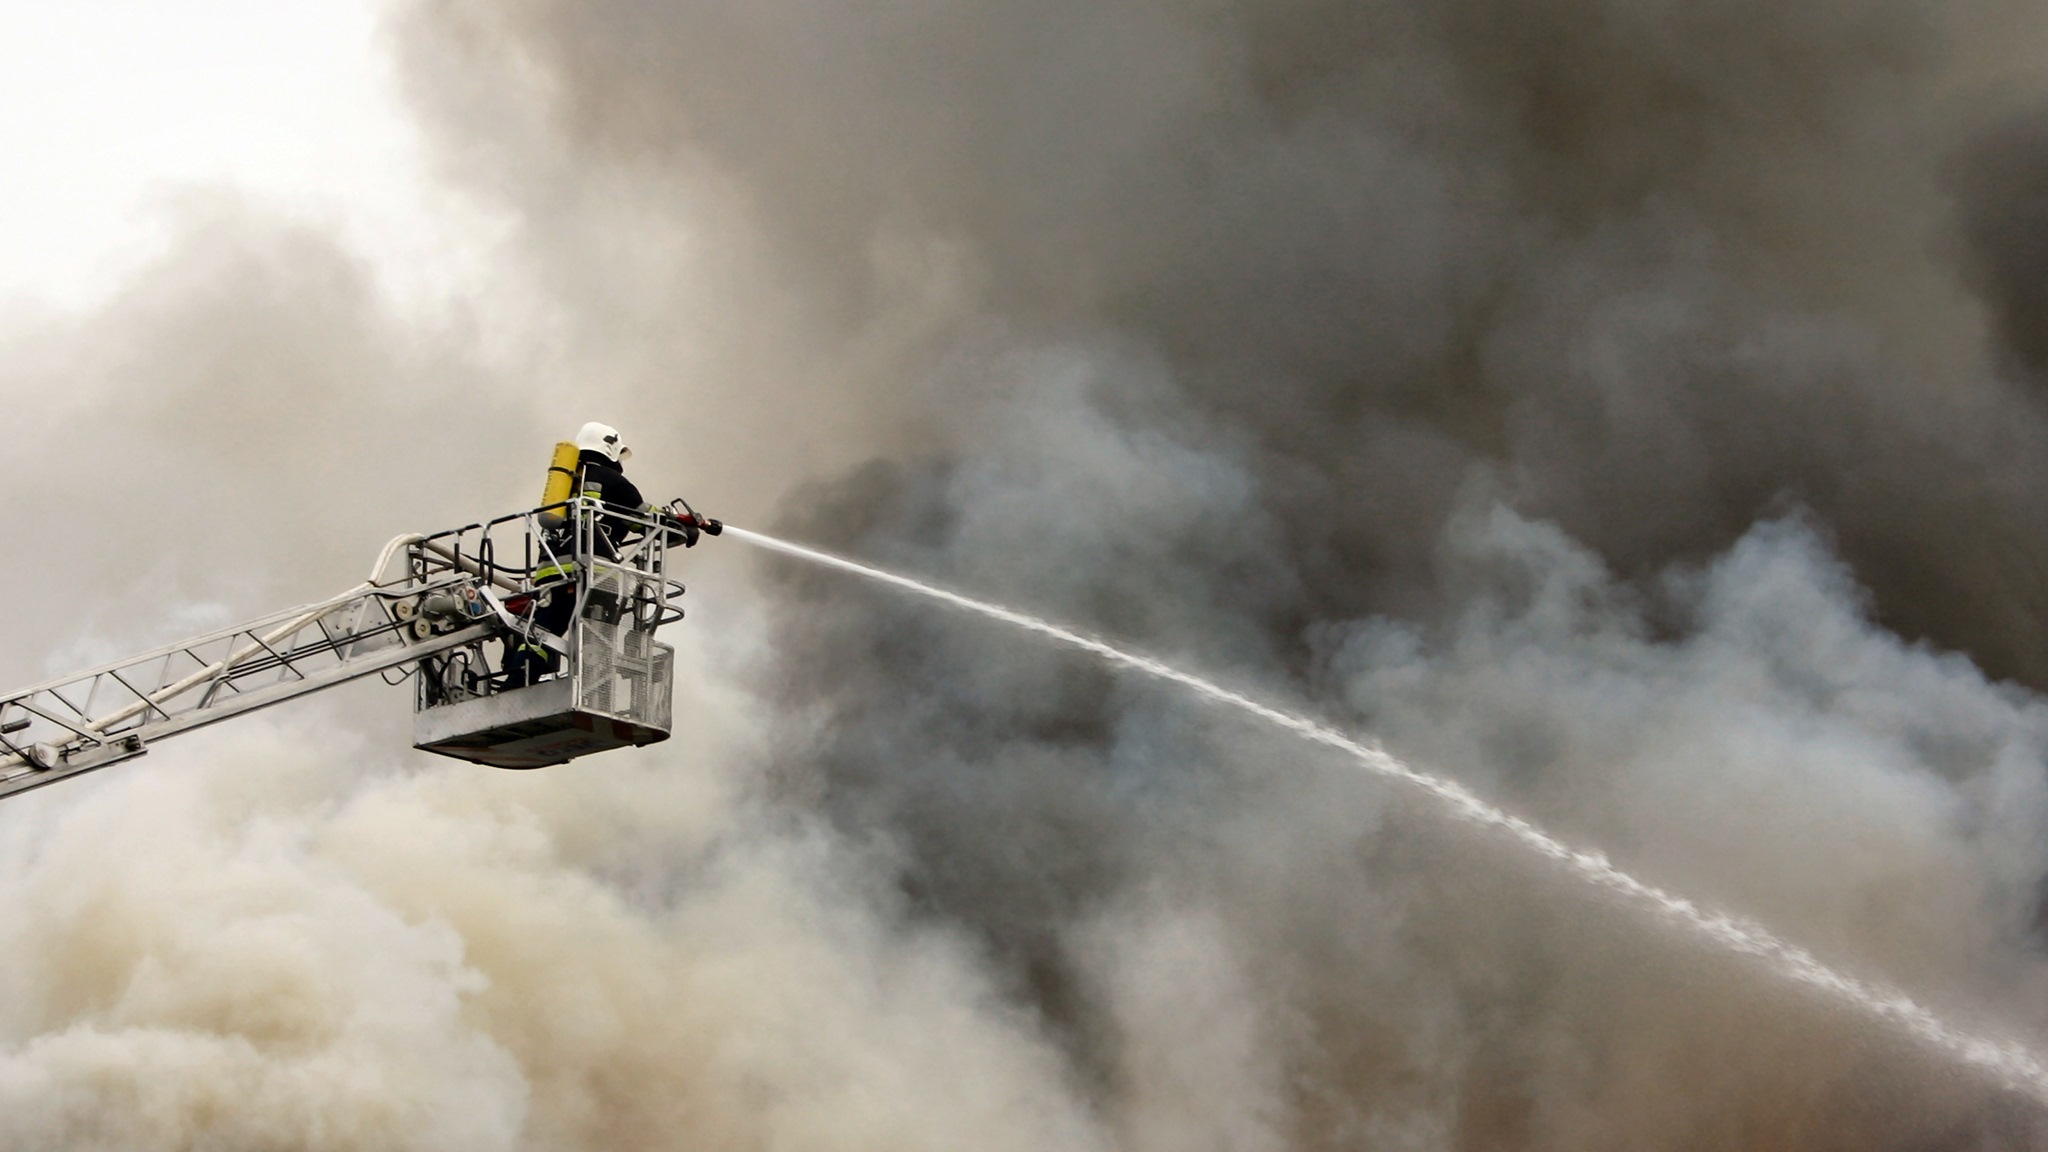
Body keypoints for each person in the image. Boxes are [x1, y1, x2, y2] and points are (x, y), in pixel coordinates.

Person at [504, 422, 720, 687]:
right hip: (595, 574)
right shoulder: (613, 481)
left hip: (552, 574)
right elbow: (643, 518)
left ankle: (516, 684)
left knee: (541, 633)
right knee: (597, 638)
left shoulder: (568, 480)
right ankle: (593, 693)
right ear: (611, 447)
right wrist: (680, 526)